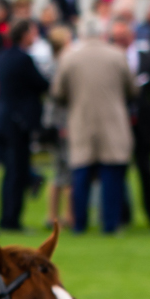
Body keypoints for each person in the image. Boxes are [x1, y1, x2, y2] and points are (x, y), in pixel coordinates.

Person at [50, 19, 137, 234]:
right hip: (113, 123)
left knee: (81, 175)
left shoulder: (69, 57)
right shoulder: (117, 55)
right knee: (112, 176)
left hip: (81, 122)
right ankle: (111, 223)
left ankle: (79, 223)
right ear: (102, 33)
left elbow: (57, 93)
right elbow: (132, 89)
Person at [0, 19, 46, 231]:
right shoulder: (23, 59)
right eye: (32, 33)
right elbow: (41, 83)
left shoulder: (3, 55)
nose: (35, 37)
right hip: (18, 121)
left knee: (11, 172)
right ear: (24, 34)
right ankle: (11, 219)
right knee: (17, 171)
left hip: (3, 118)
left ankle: (8, 216)